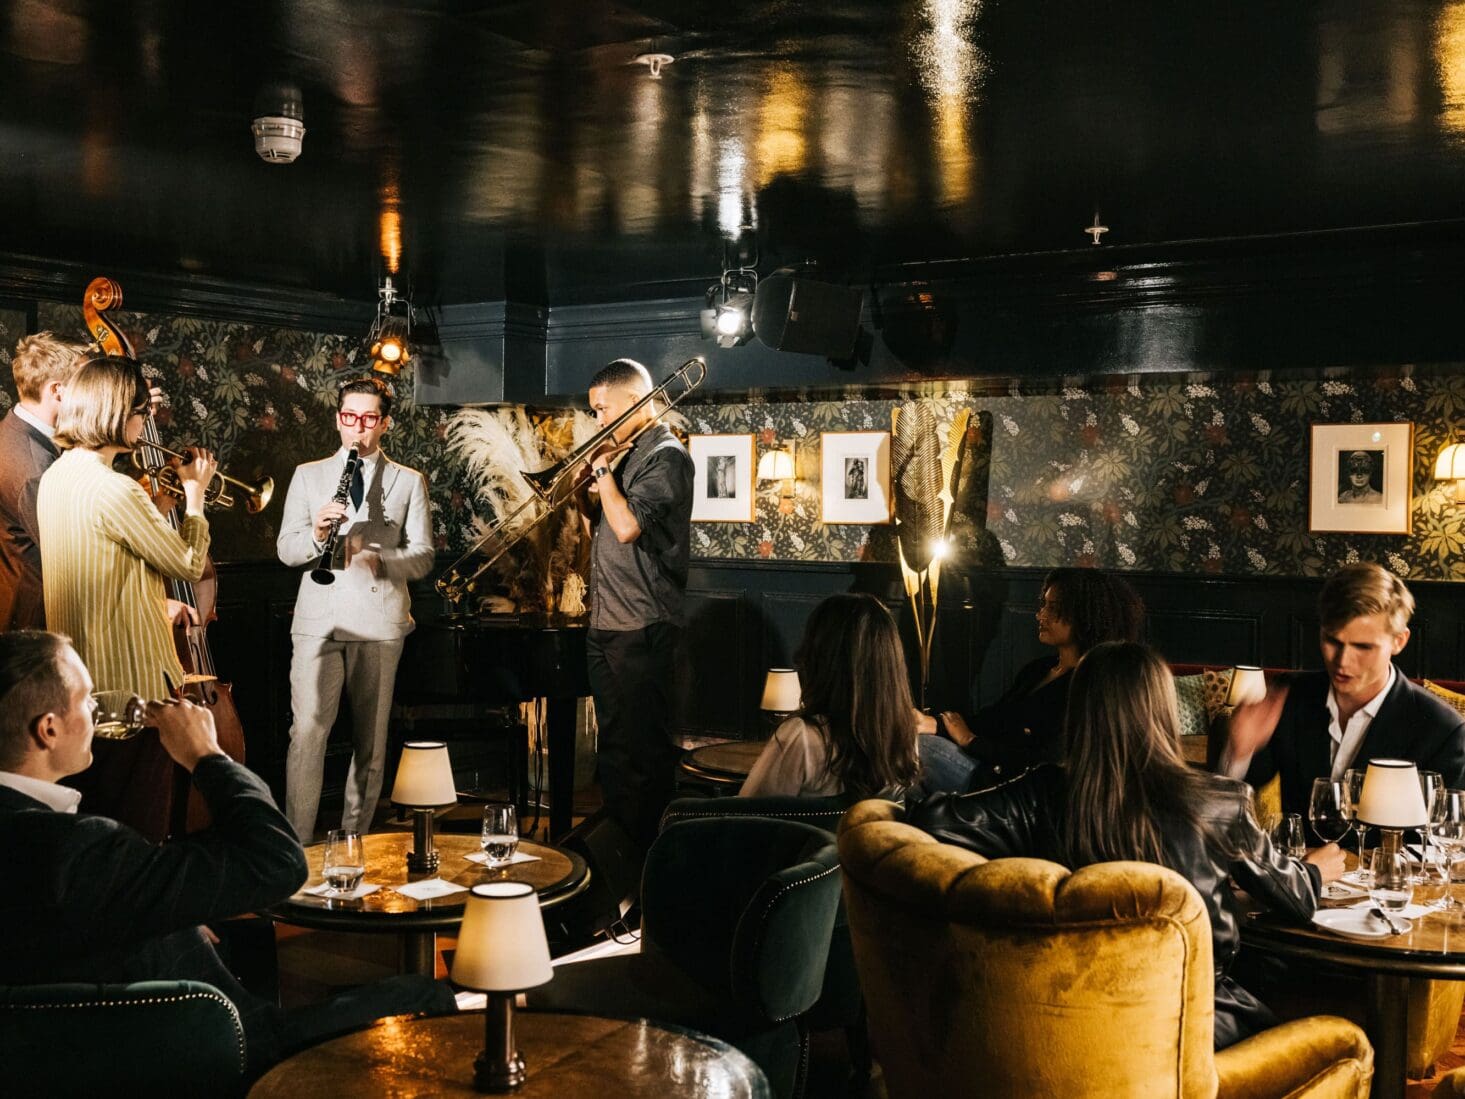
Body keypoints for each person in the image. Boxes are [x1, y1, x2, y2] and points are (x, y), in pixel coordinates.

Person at [0, 630, 455, 1079]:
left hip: (78, 1056)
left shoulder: (43, 840)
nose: (97, 709)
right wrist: (206, 755)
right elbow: (279, 862)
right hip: (216, 1052)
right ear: (49, 728)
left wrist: (170, 910)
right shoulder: (76, 850)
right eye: (84, 699)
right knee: (423, 995)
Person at [909, 641, 1345, 1049]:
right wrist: (1315, 870)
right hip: (1192, 1025)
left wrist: (1018, 882)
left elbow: (932, 820)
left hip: (1067, 1023)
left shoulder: (1039, 793)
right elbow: (1295, 899)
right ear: (1162, 709)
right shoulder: (1220, 801)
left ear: (1078, 709)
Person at [276, 376, 433, 843]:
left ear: (384, 423)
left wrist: (379, 558)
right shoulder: (308, 475)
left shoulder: (408, 481)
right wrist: (317, 536)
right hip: (319, 624)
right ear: (337, 418)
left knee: (371, 744)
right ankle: (296, 849)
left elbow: (423, 555)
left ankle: (353, 843)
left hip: (380, 622)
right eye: (349, 417)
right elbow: (286, 550)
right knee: (306, 735)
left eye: (368, 419)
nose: (357, 429)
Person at [37, 355, 215, 699]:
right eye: (141, 411)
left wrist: (158, 507)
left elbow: (107, 545)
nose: (146, 419)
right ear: (115, 414)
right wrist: (195, 496)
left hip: (80, 678)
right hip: (130, 682)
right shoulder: (117, 487)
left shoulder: (55, 477)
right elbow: (189, 565)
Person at [1232, 562, 1465, 816]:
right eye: (1332, 641)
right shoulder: (1292, 695)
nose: (1342, 661)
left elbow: (1444, 839)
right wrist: (1240, 752)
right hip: (1297, 857)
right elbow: (1230, 799)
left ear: (1399, 641)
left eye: (1363, 647)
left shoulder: (1442, 730)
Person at [581, 358, 694, 854]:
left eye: (603, 409)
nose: (597, 421)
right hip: (606, 620)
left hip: (643, 625)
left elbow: (628, 528)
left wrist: (603, 469)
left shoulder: (665, 456)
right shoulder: (624, 452)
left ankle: (650, 863)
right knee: (614, 751)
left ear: (633, 400)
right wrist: (583, 493)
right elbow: (602, 529)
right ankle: (619, 859)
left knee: (644, 757)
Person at [917, 567, 1145, 792]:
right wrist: (934, 724)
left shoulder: (1091, 685)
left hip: (1018, 788)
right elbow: (994, 719)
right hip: (987, 767)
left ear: (1085, 616)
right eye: (1044, 605)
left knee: (918, 747)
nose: (1041, 615)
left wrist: (971, 741)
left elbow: (1047, 762)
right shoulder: (1039, 669)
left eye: (1053, 608)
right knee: (909, 741)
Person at [740, 592, 921, 799]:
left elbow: (747, 813)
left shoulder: (803, 736)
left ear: (821, 657)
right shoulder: (904, 734)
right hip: (864, 831)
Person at [0, 332, 85, 631]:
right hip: (34, 625)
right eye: (84, 387)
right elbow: (74, 557)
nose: (90, 398)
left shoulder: (11, 431)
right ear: (58, 391)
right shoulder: (33, 472)